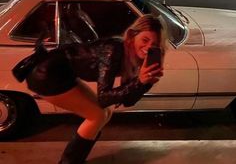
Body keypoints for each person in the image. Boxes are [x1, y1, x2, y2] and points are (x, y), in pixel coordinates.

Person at [16, 14, 167, 164]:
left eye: (154, 44)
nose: (149, 47)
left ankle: (77, 159)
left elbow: (128, 101)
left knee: (105, 113)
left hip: (64, 72)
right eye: (145, 40)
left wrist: (145, 82)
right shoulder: (114, 50)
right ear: (132, 36)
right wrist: (139, 81)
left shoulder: (135, 59)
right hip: (47, 74)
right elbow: (104, 98)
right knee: (97, 115)